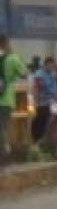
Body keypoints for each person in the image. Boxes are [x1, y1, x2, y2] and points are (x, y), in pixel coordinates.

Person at [0, 34, 27, 166]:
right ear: (6, 43)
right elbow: (24, 74)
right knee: (3, 129)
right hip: (5, 100)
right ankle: (4, 157)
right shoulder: (12, 58)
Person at [32, 56, 57, 143]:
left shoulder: (53, 73)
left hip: (52, 102)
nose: (52, 67)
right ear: (46, 64)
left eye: (53, 65)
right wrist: (36, 102)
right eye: (51, 65)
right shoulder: (39, 74)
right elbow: (37, 88)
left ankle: (45, 141)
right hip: (42, 102)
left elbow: (56, 85)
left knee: (48, 123)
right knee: (40, 122)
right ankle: (37, 139)